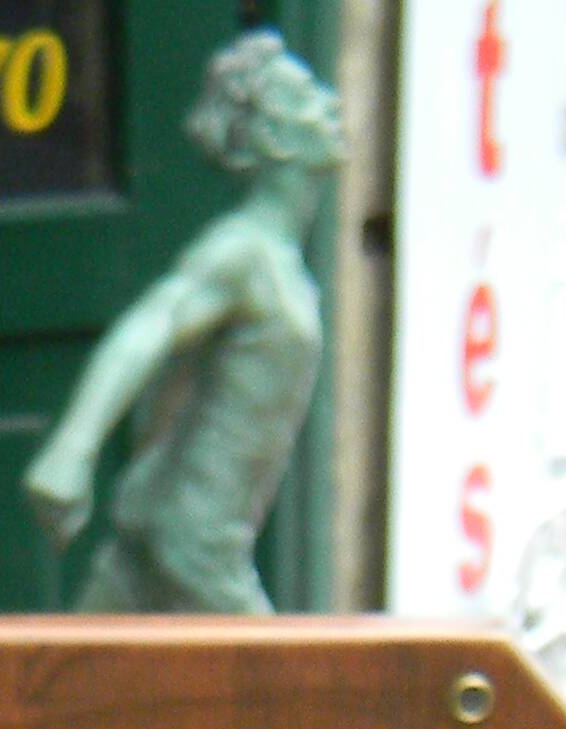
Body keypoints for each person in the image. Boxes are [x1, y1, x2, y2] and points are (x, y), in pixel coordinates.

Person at [22, 29, 343, 614]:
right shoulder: (239, 253)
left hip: (165, 528)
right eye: (307, 98)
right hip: (194, 547)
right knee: (292, 695)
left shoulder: (278, 263)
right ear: (273, 135)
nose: (331, 105)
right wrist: (72, 448)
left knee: (62, 689)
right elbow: (151, 327)